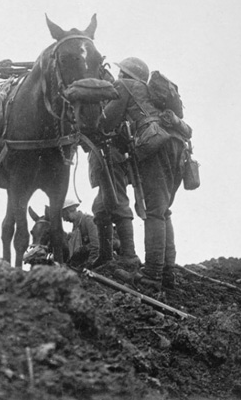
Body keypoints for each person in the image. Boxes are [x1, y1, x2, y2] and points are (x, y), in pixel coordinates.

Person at [103, 57, 191, 290]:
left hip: (156, 146)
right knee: (163, 210)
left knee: (154, 212)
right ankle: (167, 271)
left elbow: (106, 121)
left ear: (126, 74)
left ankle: (152, 274)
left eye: (121, 72)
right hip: (178, 147)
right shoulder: (153, 95)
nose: (118, 77)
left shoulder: (124, 86)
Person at [88, 142, 141, 271]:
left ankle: (130, 256)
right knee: (100, 208)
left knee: (118, 203)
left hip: (110, 155)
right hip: (101, 156)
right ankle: (105, 255)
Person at [61, 199, 100, 267]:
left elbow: (96, 245)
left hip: (94, 260)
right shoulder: (75, 227)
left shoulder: (88, 221)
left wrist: (90, 264)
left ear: (69, 211)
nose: (64, 219)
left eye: (64, 216)